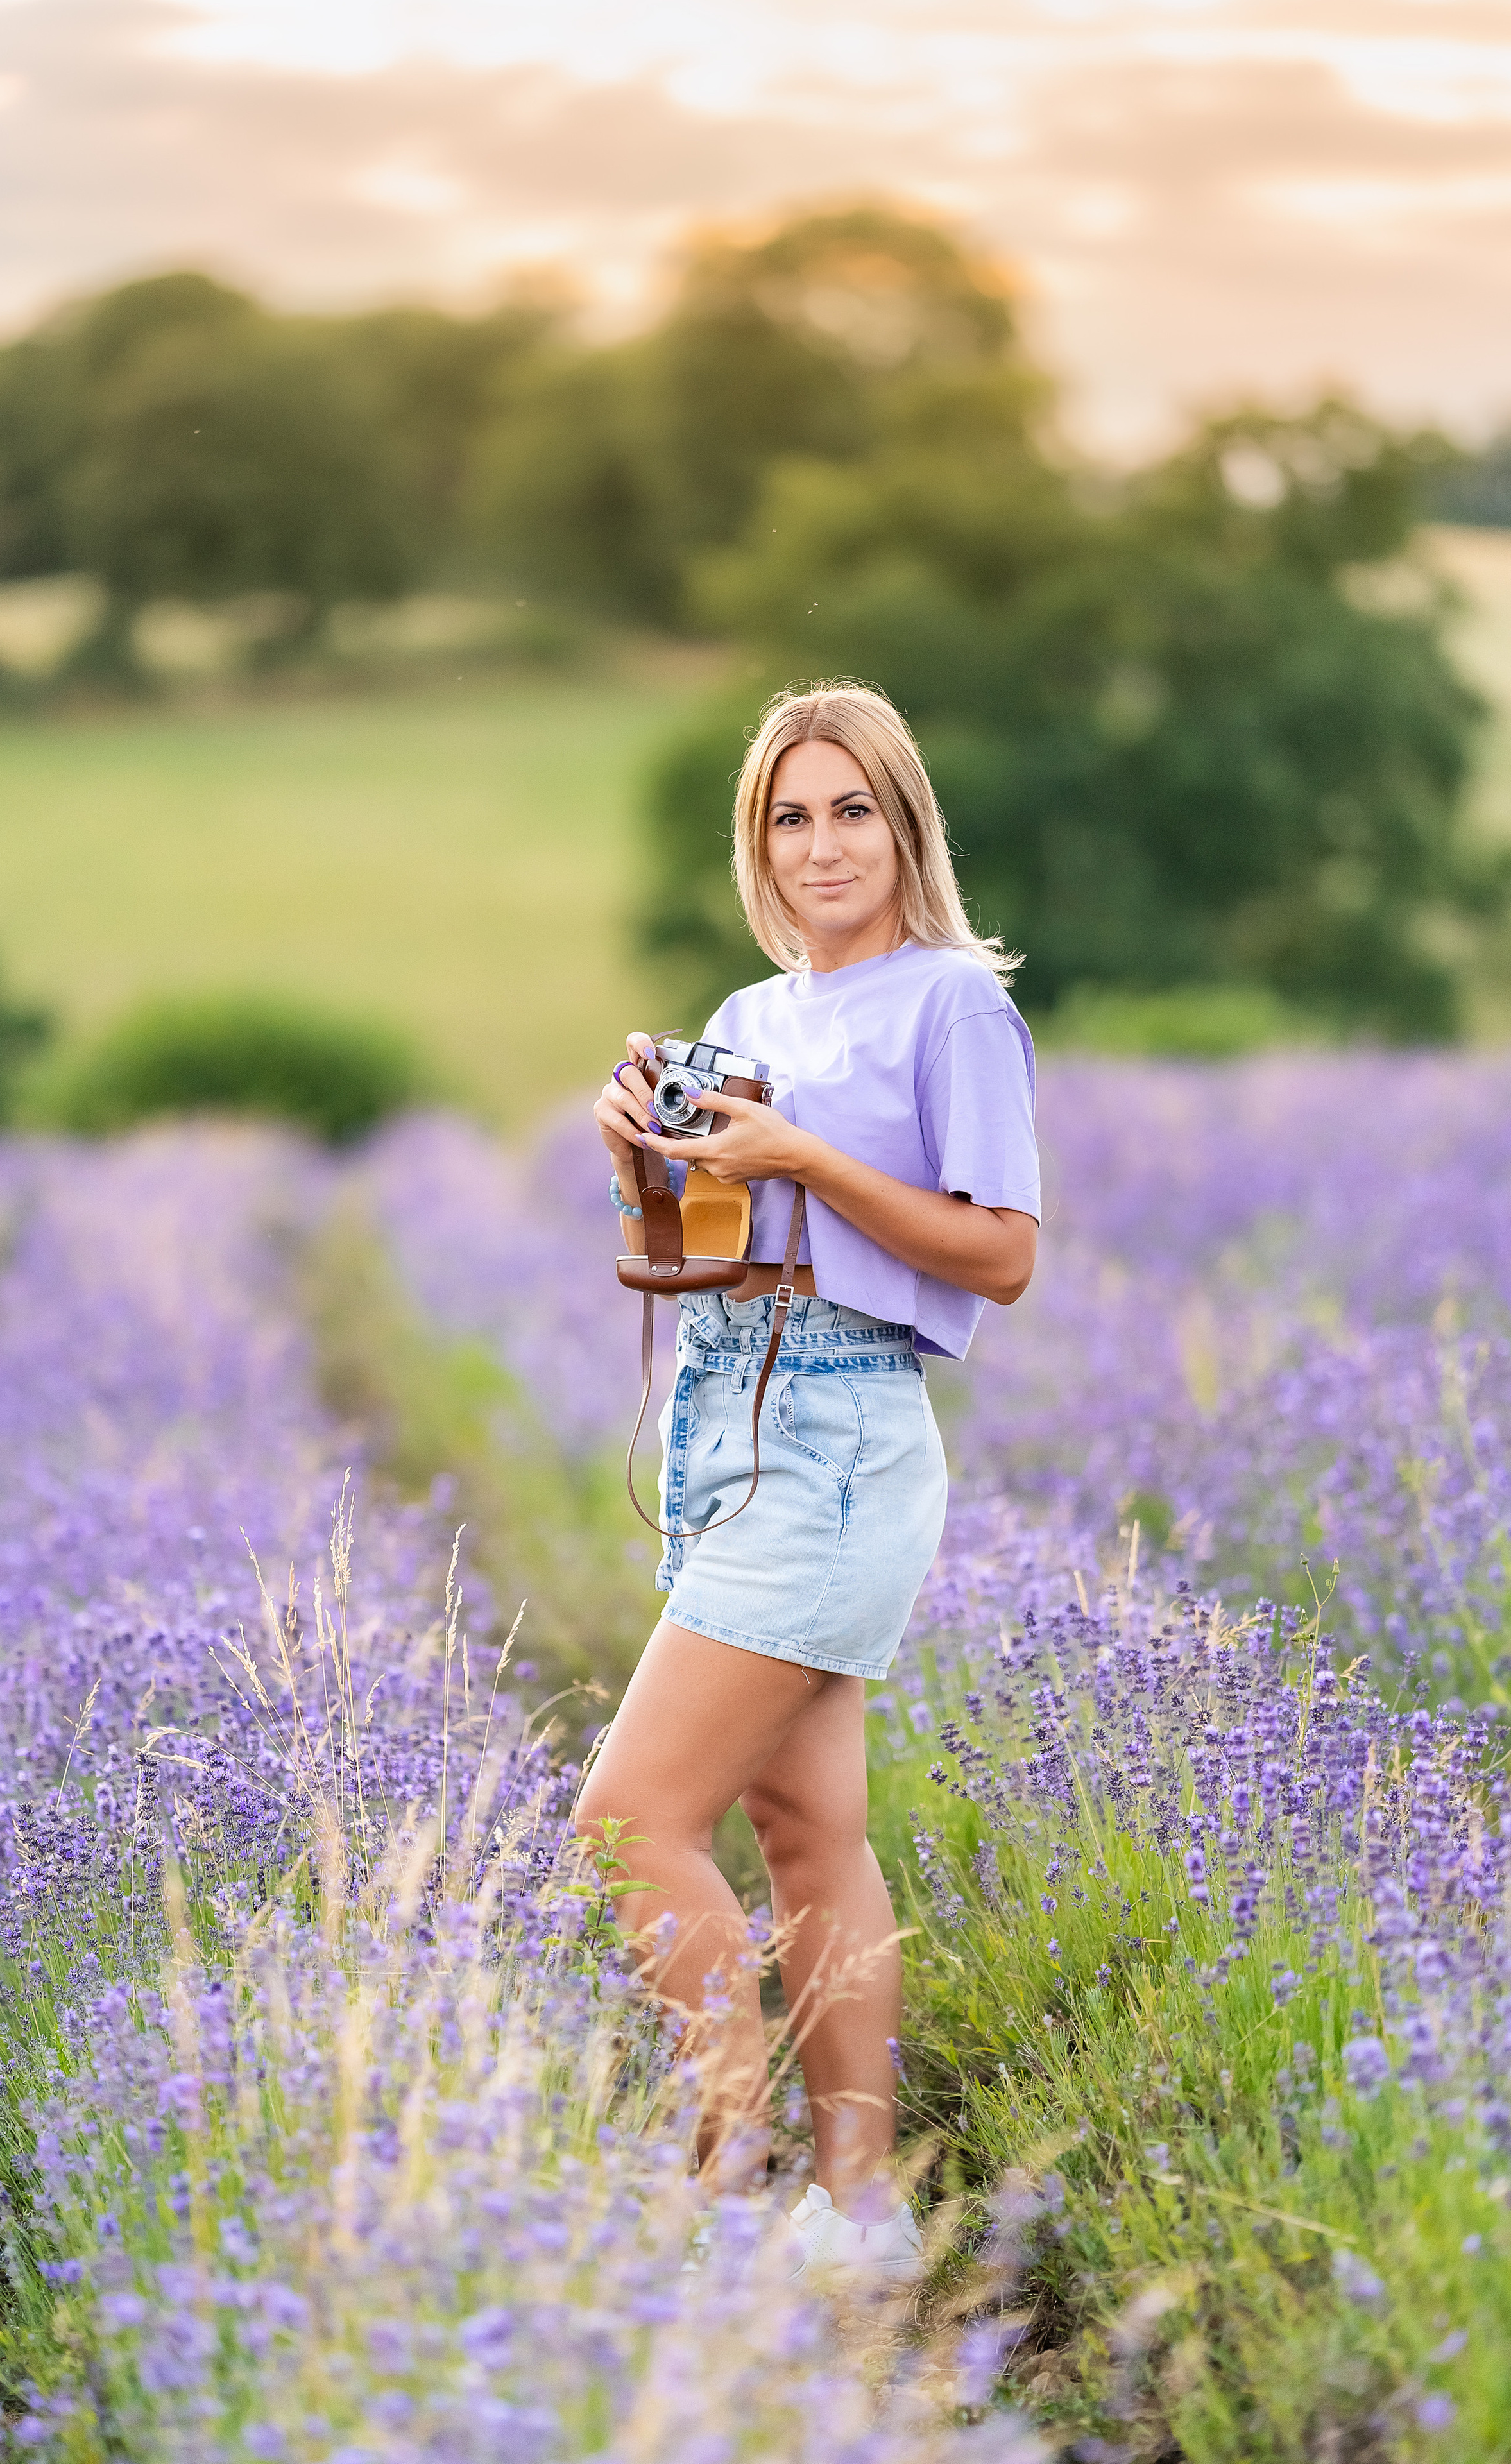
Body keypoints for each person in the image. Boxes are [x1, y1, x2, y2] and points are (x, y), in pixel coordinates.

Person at [582, 681, 1039, 2278]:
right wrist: (643, 1153)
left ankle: (725, 2189)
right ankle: (858, 2218)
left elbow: (1002, 1253)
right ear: (756, 844)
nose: (822, 843)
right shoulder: (751, 1012)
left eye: (852, 810)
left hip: (839, 1433)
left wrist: (803, 1158)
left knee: (627, 1819)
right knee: (804, 1830)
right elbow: (715, 1246)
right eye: (790, 817)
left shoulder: (951, 1005)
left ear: (903, 825)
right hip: (729, 1412)